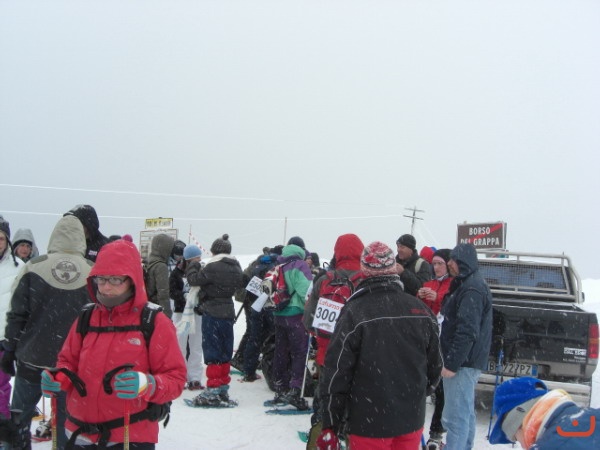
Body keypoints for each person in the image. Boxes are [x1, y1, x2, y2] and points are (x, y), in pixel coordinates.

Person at [41, 239, 187, 449]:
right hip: (80, 434)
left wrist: (148, 384)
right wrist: (59, 377)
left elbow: (175, 378)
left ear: (132, 279)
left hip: (129, 436)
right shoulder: (86, 317)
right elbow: (67, 361)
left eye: (116, 279)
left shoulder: (154, 321)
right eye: (101, 279)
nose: (106, 287)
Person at [317, 241, 442, 450]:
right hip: (410, 419)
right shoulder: (420, 310)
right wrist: (414, 394)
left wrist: (330, 422)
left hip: (368, 422)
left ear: (364, 271)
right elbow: (435, 368)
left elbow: (337, 371)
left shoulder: (355, 312)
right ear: (393, 269)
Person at [1, 215, 93, 449]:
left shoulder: (34, 266)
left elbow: (16, 314)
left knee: (19, 421)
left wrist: (10, 349)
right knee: (66, 425)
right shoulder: (92, 271)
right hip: (71, 364)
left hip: (32, 357)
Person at [303, 233, 364, 449]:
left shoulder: (324, 280)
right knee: (355, 407)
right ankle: (350, 439)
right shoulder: (365, 280)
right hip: (357, 356)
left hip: (327, 355)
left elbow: (308, 320)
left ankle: (321, 437)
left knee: (325, 401)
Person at [440, 243, 493, 450]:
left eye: (453, 260)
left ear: (463, 261)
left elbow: (467, 330)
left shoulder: (471, 288)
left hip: (463, 363)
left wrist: (452, 363)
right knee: (465, 413)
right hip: (467, 361)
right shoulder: (468, 283)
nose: (449, 264)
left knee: (455, 418)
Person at [186, 234, 244, 407]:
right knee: (225, 352)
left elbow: (193, 280)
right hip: (228, 312)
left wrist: (193, 265)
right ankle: (223, 389)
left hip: (212, 312)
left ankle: (212, 389)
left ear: (213, 251)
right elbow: (242, 283)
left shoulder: (212, 266)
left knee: (212, 352)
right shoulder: (236, 266)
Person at [489, 377, 600, 449]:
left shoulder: (551, 445)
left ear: (520, 423)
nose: (522, 447)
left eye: (516, 438)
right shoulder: (593, 417)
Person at [269, 243, 313, 410]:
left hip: (279, 314)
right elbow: (305, 292)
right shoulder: (300, 265)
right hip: (296, 315)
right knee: (299, 352)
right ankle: (295, 389)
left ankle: (279, 387)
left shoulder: (278, 266)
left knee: (281, 352)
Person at [416, 248, 453, 449]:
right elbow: (418, 308)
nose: (437, 267)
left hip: (443, 342)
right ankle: (414, 430)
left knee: (441, 390)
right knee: (420, 386)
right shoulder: (429, 283)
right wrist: (420, 295)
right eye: (435, 264)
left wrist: (436, 297)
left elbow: (449, 305)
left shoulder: (453, 284)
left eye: (440, 264)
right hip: (426, 340)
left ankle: (436, 432)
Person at [0, 218, 25, 421]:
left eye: (0, 238)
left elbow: (23, 304)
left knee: (1, 385)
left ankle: (2, 424)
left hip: (4, 336)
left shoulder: (19, 267)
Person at [171, 244, 205, 390]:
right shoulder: (177, 273)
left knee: (196, 345)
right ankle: (180, 375)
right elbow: (172, 291)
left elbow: (206, 290)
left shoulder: (201, 272)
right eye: (195, 259)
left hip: (197, 313)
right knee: (180, 345)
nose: (198, 261)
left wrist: (199, 299)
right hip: (182, 313)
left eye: (199, 258)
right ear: (188, 259)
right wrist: (184, 297)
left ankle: (195, 377)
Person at [145, 233, 175, 318]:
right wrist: (167, 315)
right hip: (157, 308)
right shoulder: (161, 266)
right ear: (165, 248)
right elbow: (163, 294)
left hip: (147, 306)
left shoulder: (149, 262)